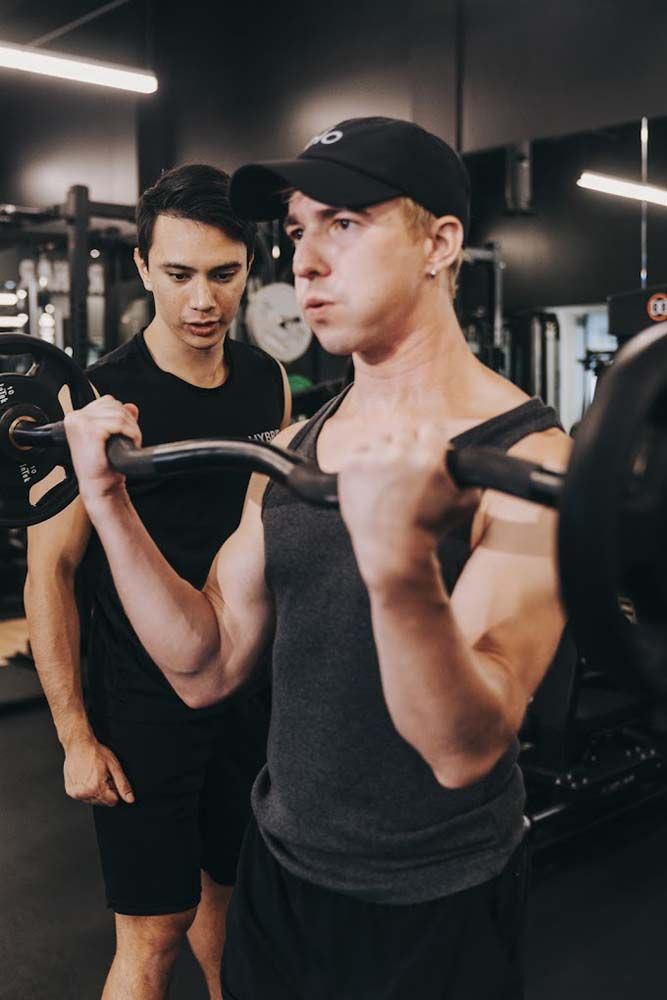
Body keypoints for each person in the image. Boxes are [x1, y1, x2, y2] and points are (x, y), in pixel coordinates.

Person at [62, 118, 571, 999]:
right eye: (297, 231)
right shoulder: (301, 441)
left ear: (438, 245)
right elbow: (205, 661)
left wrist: (399, 566)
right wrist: (108, 506)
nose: (302, 261)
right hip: (279, 880)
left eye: (342, 223)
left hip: (433, 902)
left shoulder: (527, 457)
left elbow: (467, 750)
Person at [25, 163, 290, 1000]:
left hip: (242, 692)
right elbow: (50, 571)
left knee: (231, 900)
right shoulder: (94, 398)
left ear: (250, 268)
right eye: (178, 274)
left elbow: (260, 536)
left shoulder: (265, 379)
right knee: (152, 936)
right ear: (143, 268)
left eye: (223, 273)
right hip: (141, 708)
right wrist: (74, 736)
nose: (202, 300)